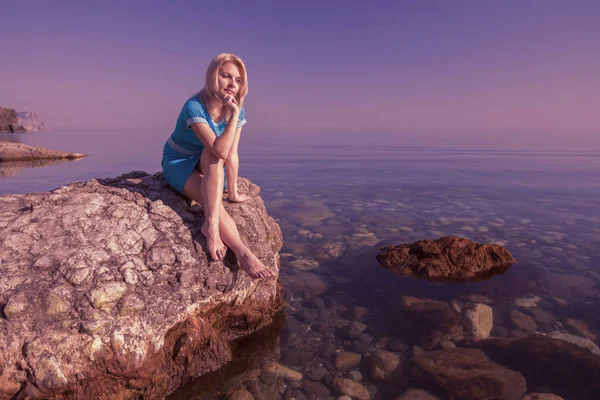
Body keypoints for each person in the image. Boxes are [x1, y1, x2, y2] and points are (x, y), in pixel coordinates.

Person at [162, 53, 274, 279]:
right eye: (226, 76)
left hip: (208, 162)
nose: (233, 84)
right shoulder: (194, 107)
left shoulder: (236, 108)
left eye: (238, 80)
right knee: (212, 198)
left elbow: (232, 153)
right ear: (213, 76)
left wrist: (232, 192)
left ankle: (216, 228)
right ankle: (239, 250)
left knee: (214, 157)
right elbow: (220, 149)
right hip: (179, 162)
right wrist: (233, 115)